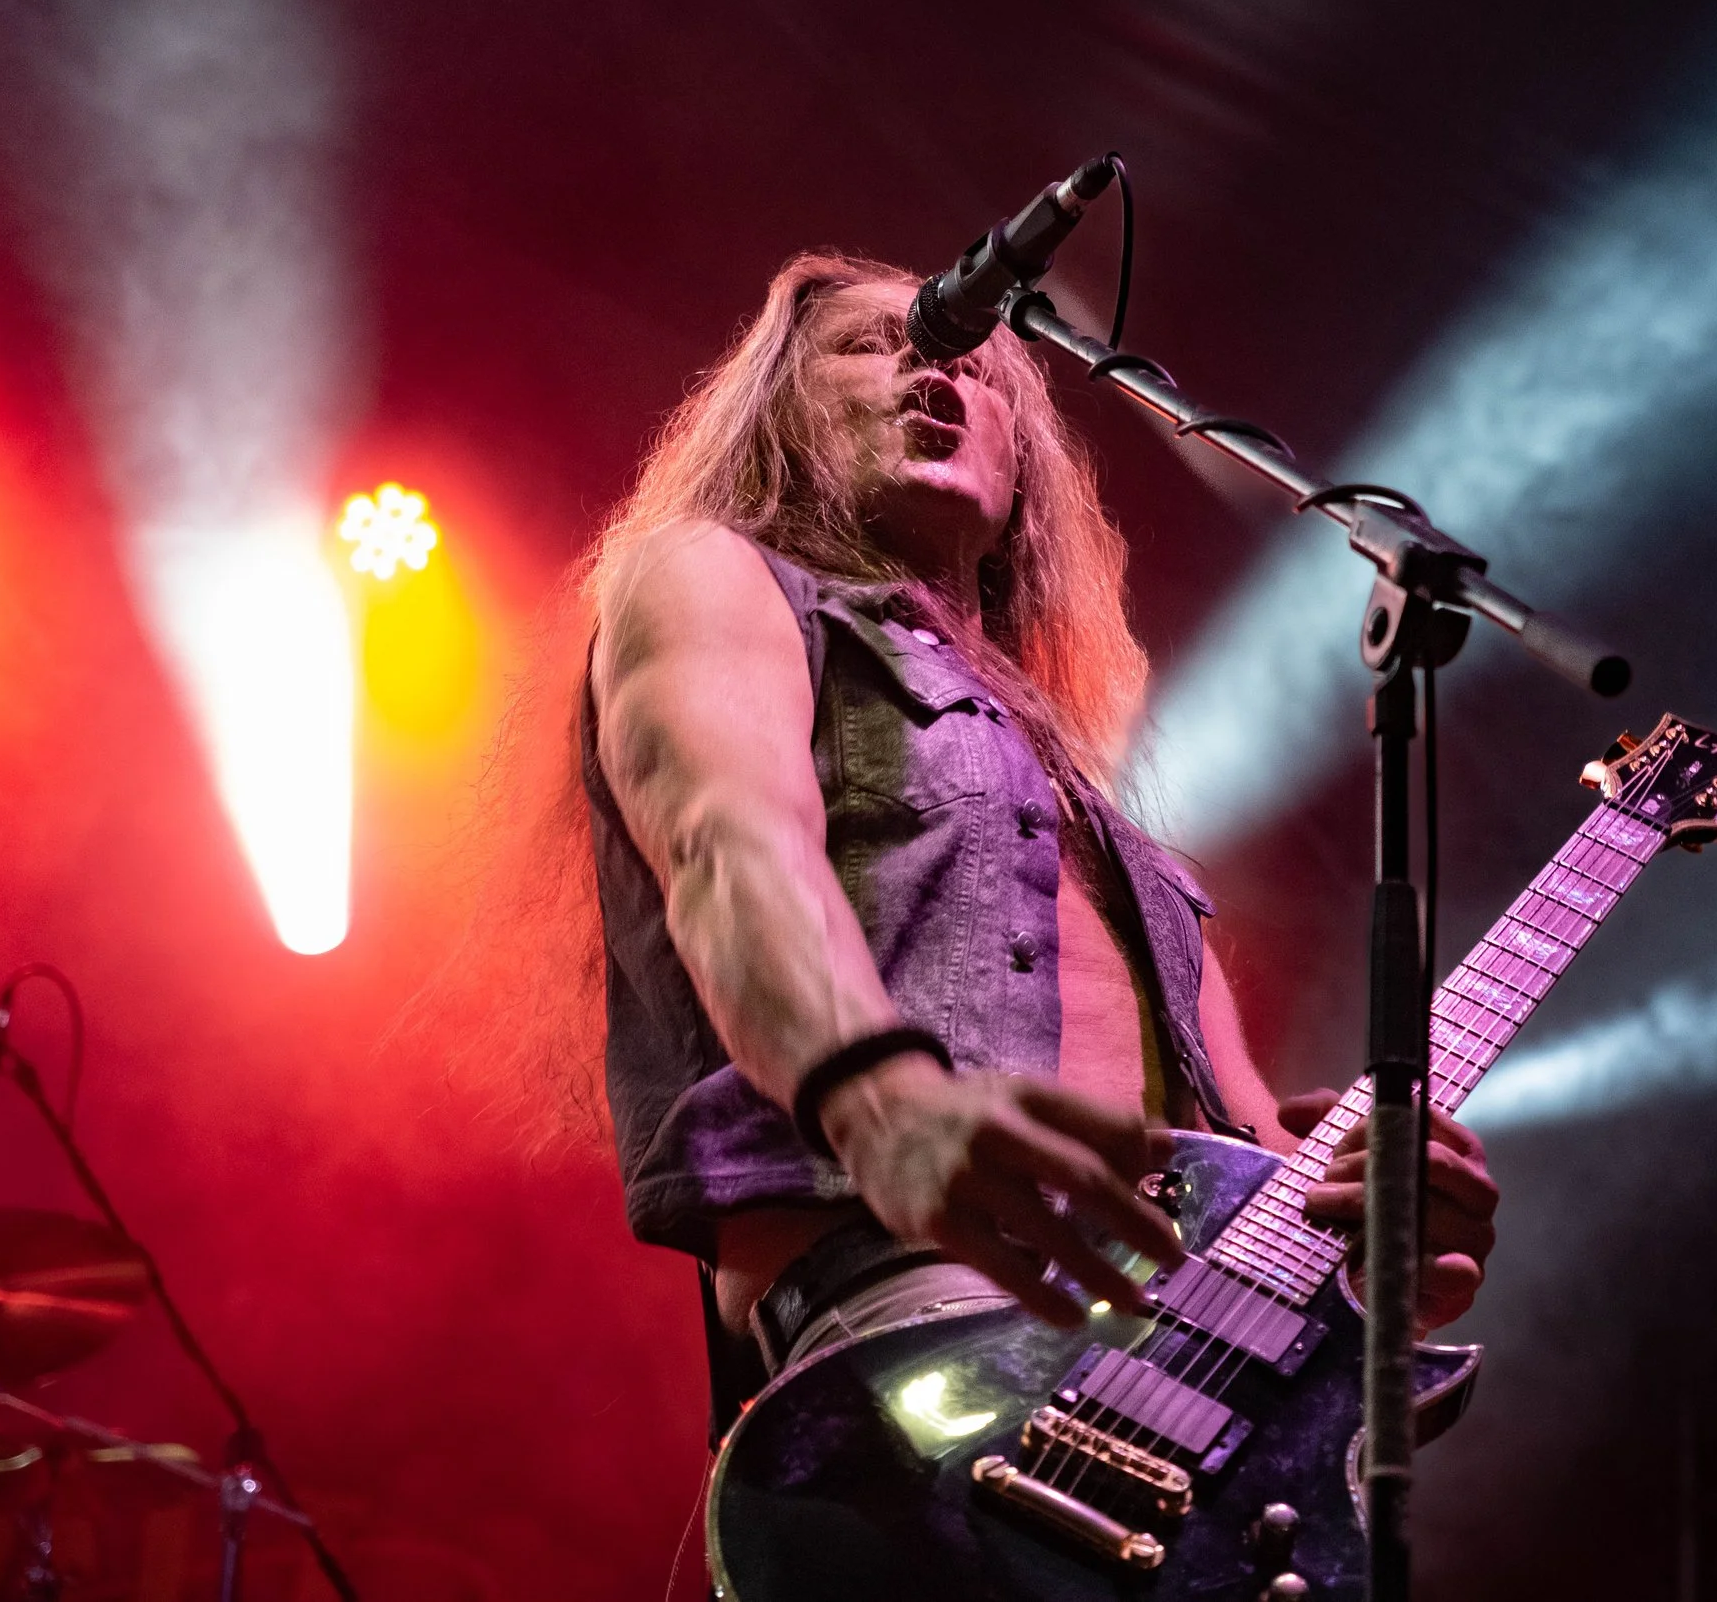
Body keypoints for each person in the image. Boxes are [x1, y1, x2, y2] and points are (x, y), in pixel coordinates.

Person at [578, 252, 1497, 1412]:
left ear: (1022, 463)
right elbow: (727, 841)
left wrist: (1370, 1249)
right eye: (870, 346)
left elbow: (1255, 1148)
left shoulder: (1106, 824)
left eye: (976, 369)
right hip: (902, 1298)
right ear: (779, 412)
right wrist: (880, 1102)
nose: (936, 374)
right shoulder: (708, 571)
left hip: (1170, 1372)